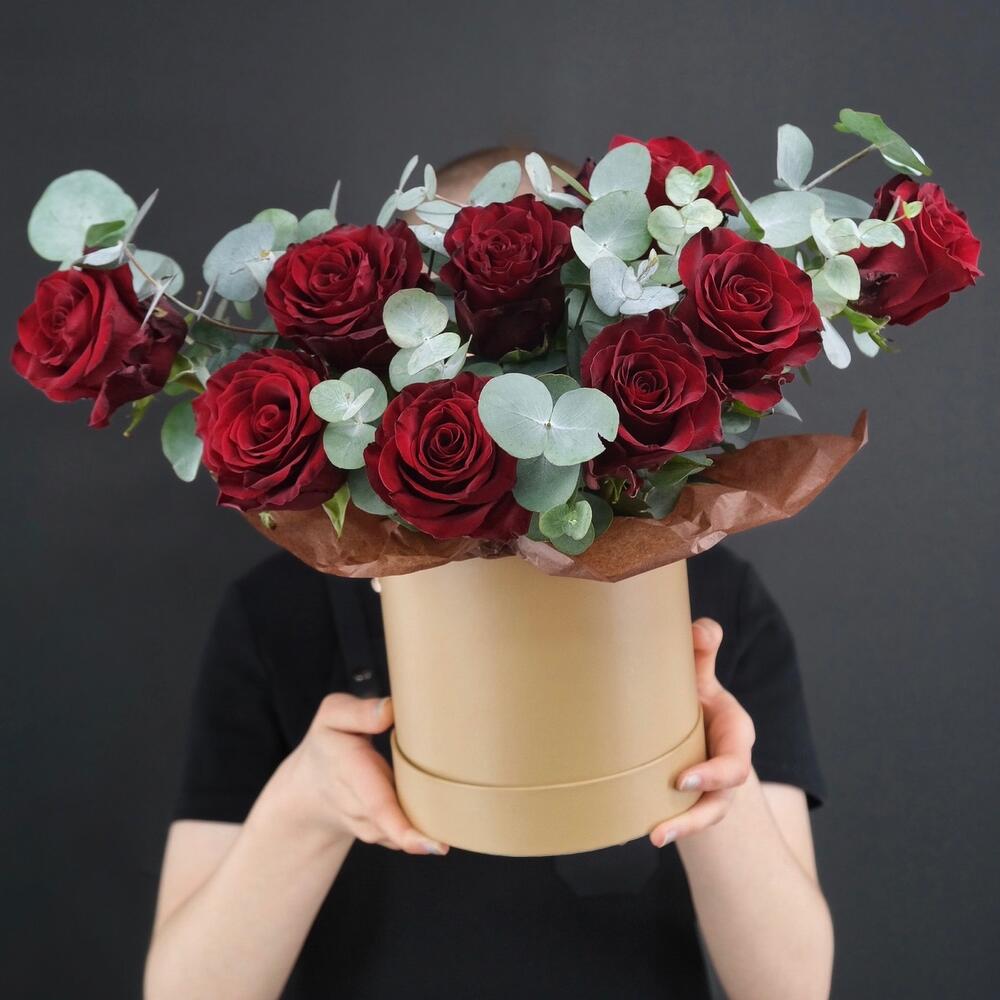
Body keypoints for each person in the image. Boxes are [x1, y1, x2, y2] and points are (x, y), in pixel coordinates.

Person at [144, 149, 835, 1000]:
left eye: (552, 328)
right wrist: (308, 807)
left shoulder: (711, 603)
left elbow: (792, 987)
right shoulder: (276, 616)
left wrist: (715, 785)